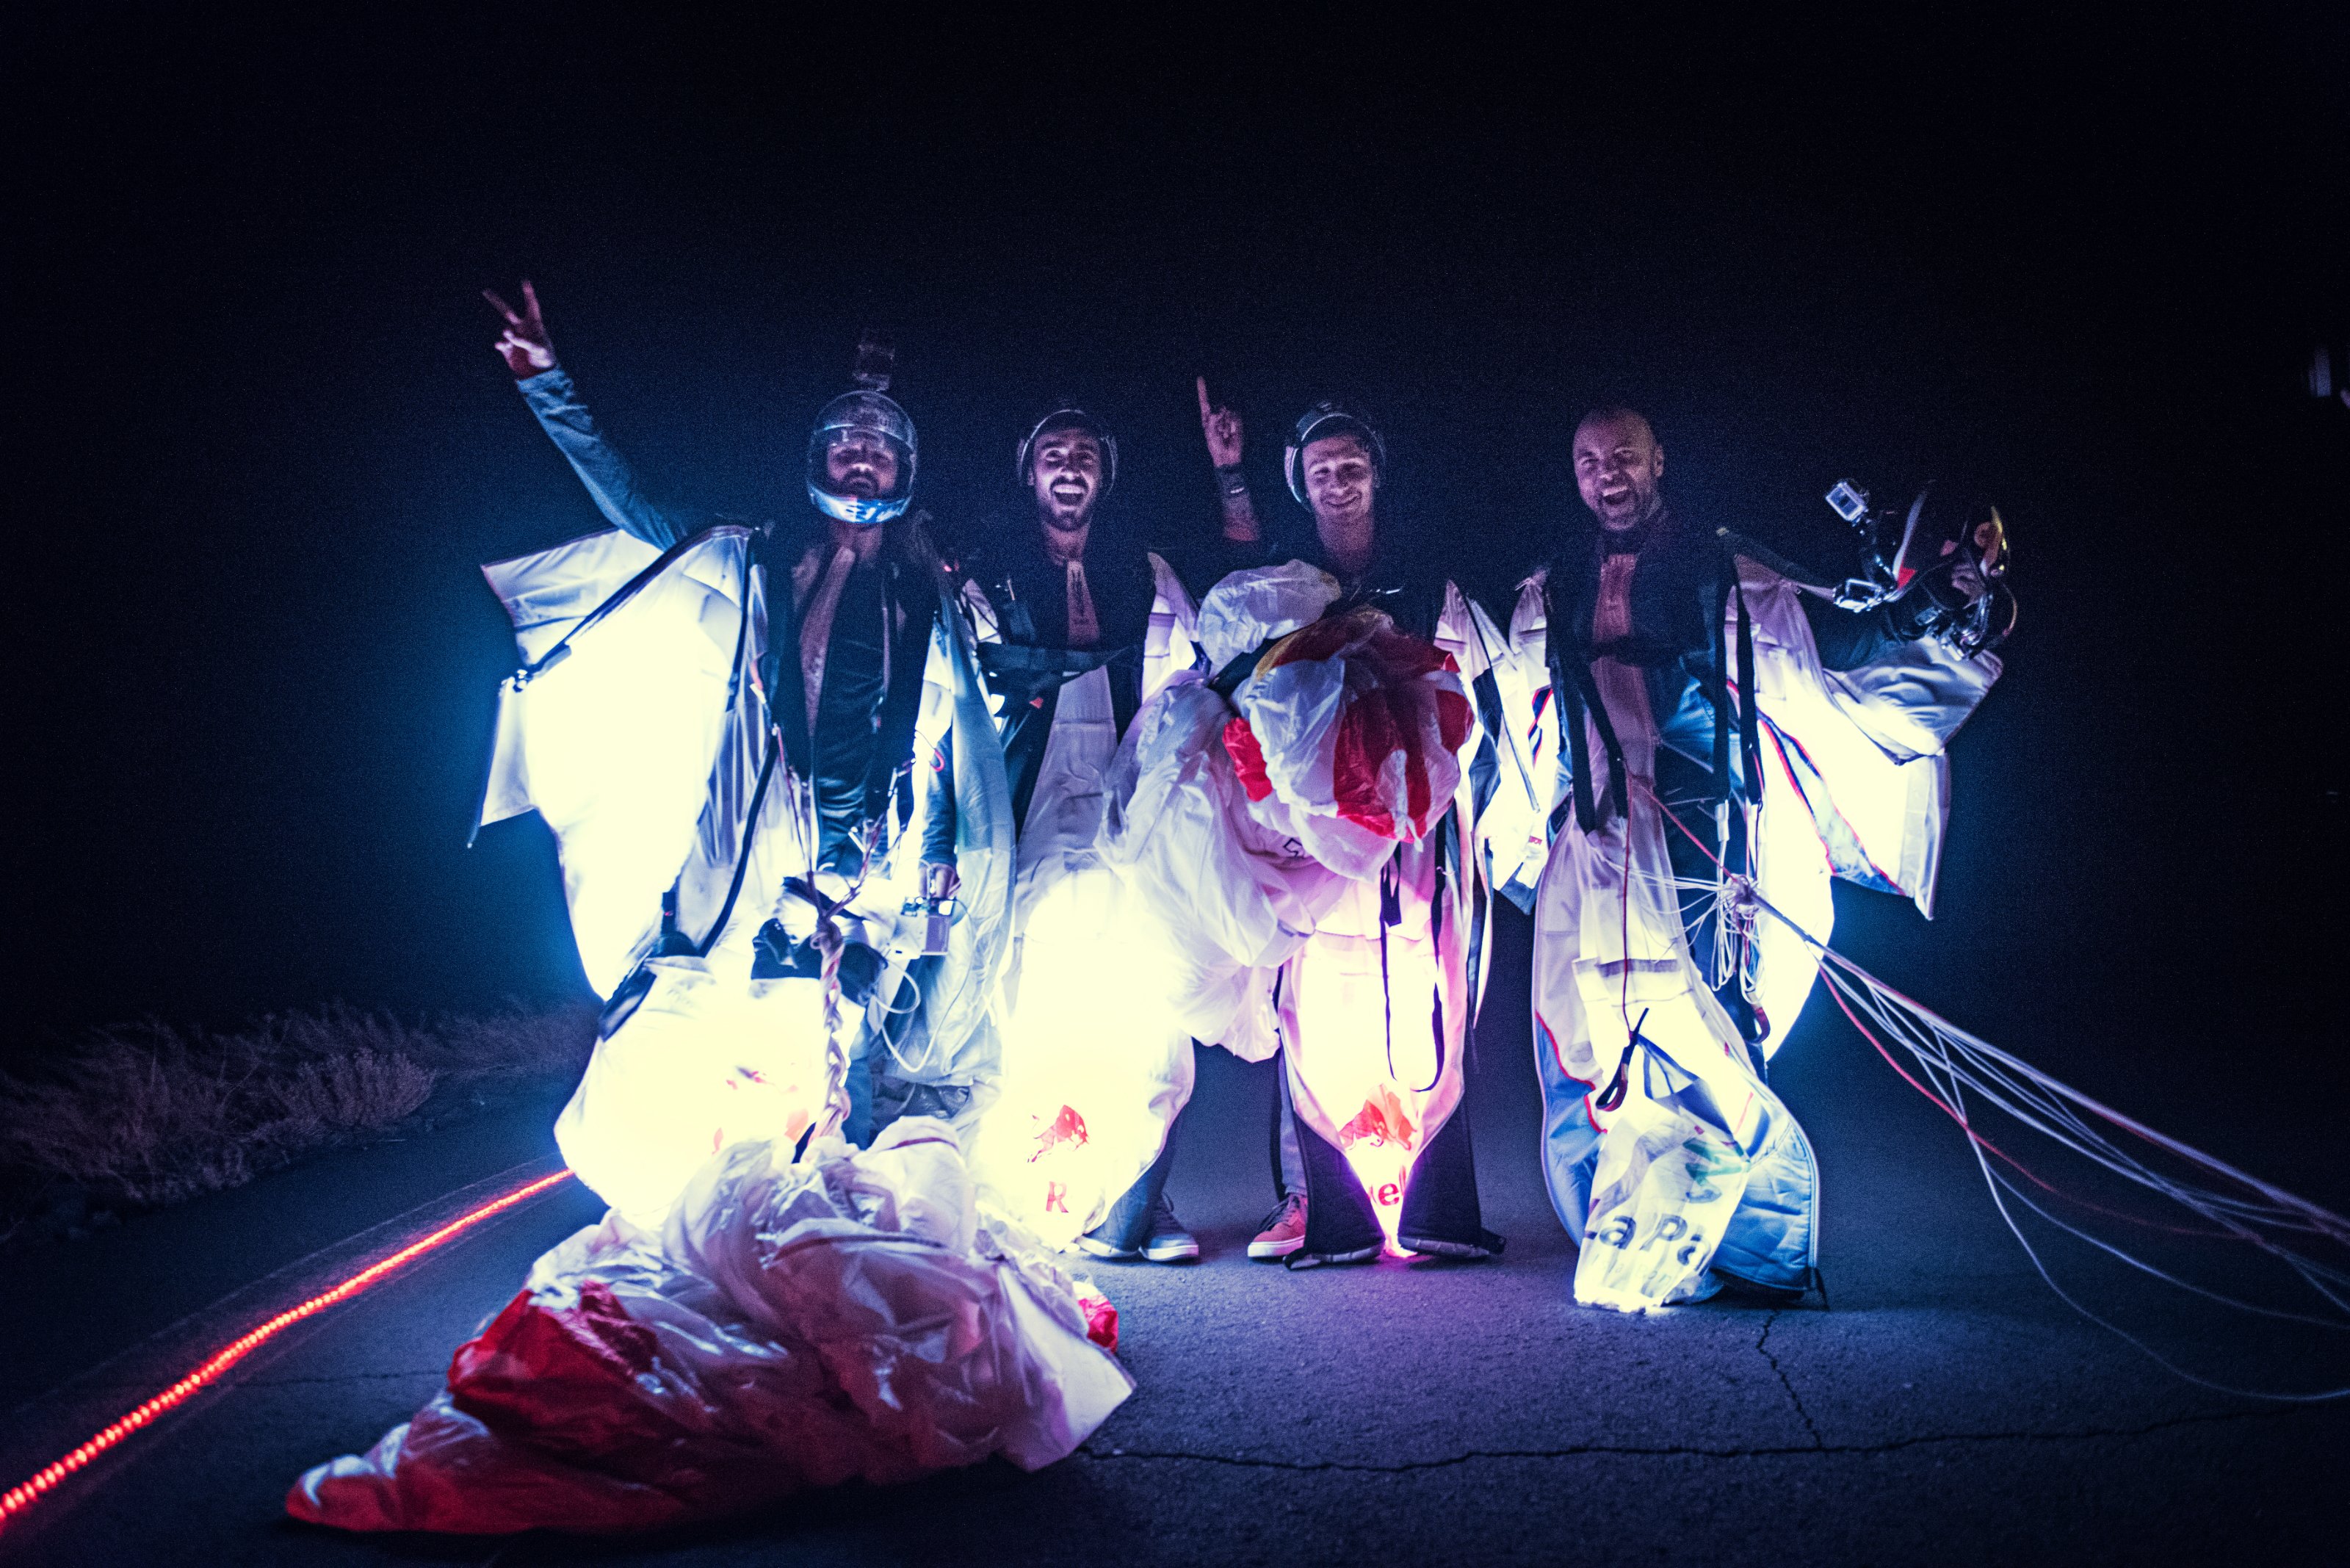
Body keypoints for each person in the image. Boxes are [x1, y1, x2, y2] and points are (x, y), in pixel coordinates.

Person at [1489, 405, 2009, 1309]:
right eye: (1586, 461)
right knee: (1595, 1035)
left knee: (1711, 1032)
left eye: (1622, 457)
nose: (1605, 474)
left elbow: (1827, 643)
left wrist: (1929, 605)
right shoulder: (1551, 580)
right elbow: (1520, 703)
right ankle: (1637, 1224)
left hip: (1699, 836)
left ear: (1659, 461)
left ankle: (1747, 1246)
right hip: (1596, 841)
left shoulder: (1720, 567)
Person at [483, 281, 1008, 1161]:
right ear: (819, 460)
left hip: (865, 835)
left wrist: (938, 848)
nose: (861, 460)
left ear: (903, 473)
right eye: (845, 446)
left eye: (878, 451)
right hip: (751, 803)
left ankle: (836, 1222)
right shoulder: (755, 554)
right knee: (695, 987)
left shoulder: (926, 595)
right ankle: (684, 1187)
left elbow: (951, 732)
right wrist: (545, 382)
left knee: (840, 1039)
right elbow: (634, 505)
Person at [1176, 382, 1509, 1268]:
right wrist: (1228, 473)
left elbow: (1477, 696)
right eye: (1319, 466)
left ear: (1375, 474)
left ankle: (1434, 1199)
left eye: (1350, 462)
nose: (1337, 476)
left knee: (1430, 981)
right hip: (1310, 833)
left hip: (1415, 826)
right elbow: (1237, 648)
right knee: (1307, 997)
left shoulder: (1427, 576)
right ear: (1301, 483)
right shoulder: (1289, 584)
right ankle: (1313, 1201)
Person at [956, 404, 1208, 1262]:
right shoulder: (987, 573)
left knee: (1149, 998)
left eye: (1084, 456)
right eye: (1052, 454)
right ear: (1028, 471)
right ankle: (1036, 1184)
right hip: (1023, 801)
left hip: (1125, 794)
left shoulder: (1143, 573)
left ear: (1103, 474)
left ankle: (1141, 1202)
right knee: (1028, 998)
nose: (1068, 468)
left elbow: (1193, 682)